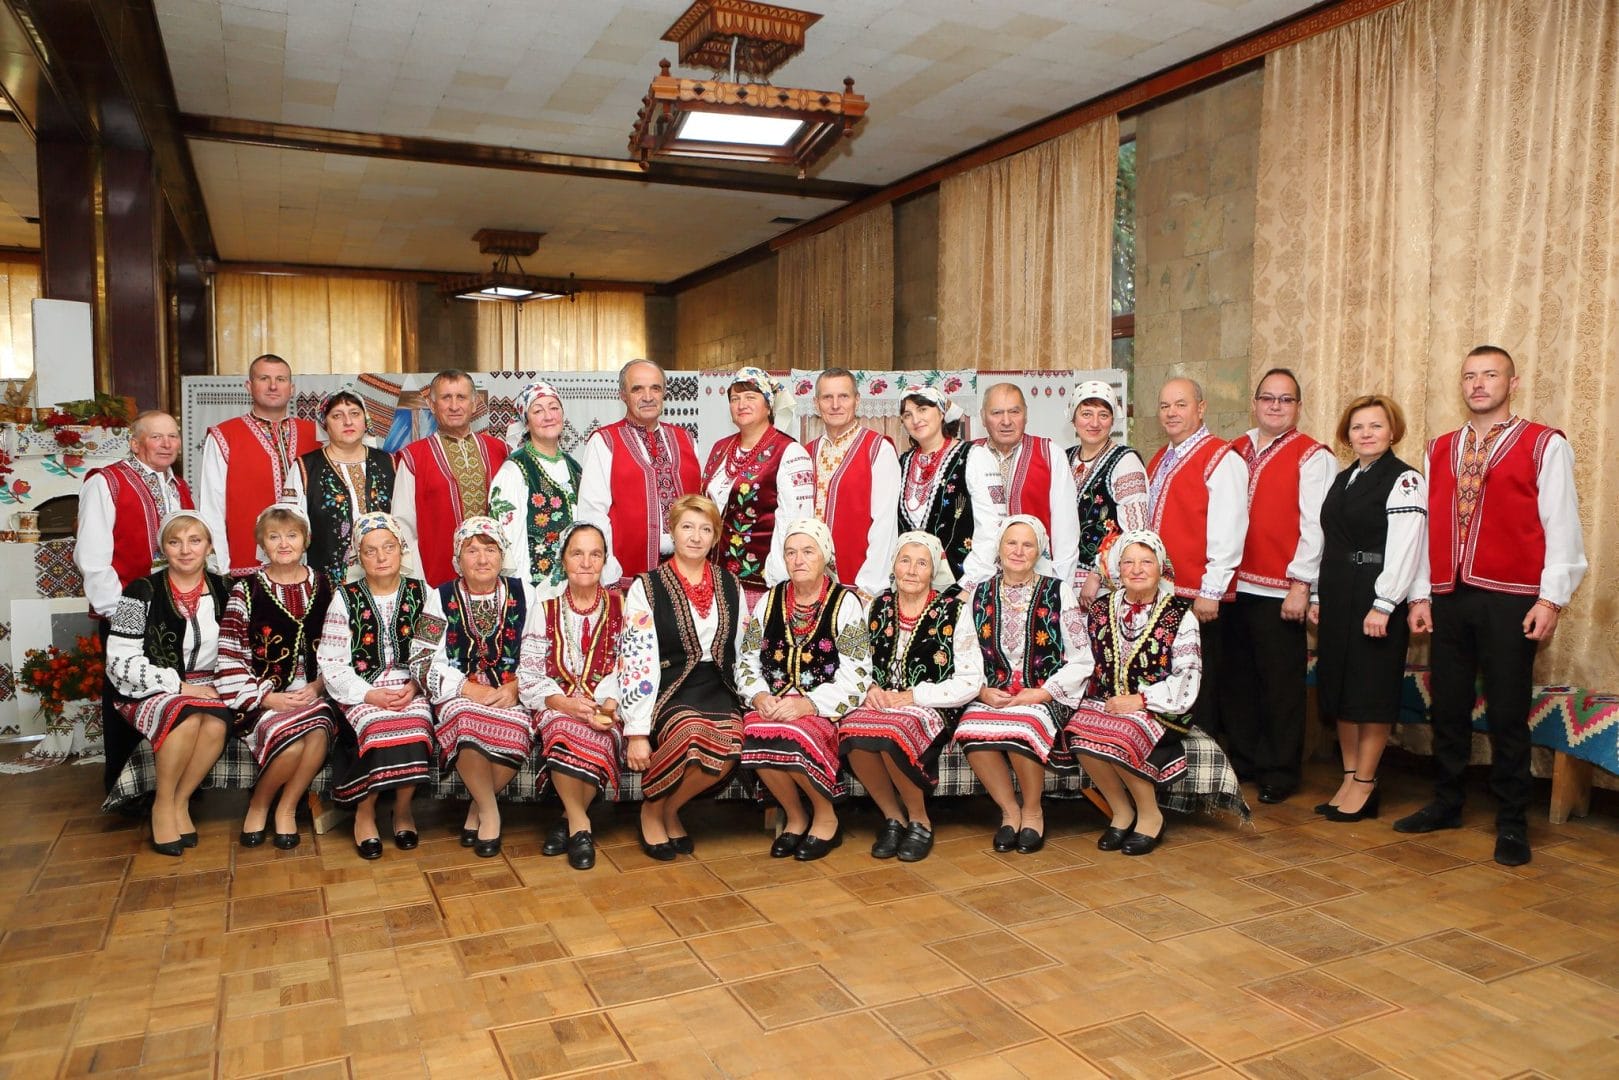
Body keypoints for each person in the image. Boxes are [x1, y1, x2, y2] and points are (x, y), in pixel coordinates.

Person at [1397, 346, 1587, 867]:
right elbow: (1427, 529)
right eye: (1469, 376)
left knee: (1506, 712)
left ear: (1513, 381)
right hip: (1449, 596)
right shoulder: (1438, 448)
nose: (1478, 384)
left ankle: (1511, 821)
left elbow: (1561, 525)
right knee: (1449, 707)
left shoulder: (1543, 444)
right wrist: (1420, 593)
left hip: (1511, 598)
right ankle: (1448, 801)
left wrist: (1551, 598)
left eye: (1490, 375)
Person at [1310, 396, 1426, 824]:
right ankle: (1348, 776)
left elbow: (1406, 548)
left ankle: (1366, 782)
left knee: (1370, 690)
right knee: (1339, 688)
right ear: (1347, 434)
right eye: (1358, 427)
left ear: (1392, 431)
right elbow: (1330, 542)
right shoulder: (1344, 479)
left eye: (1376, 426)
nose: (1366, 434)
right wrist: (1320, 596)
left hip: (1375, 597)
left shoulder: (1405, 480)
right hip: (1339, 593)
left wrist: (1385, 603)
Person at [1222, 369, 1334, 804]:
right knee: (1238, 680)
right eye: (1267, 398)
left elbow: (1316, 527)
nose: (1275, 406)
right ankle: (1246, 760)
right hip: (1234, 587)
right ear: (1254, 402)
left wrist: (1302, 585)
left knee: (1280, 685)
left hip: (1279, 589)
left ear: (1298, 407)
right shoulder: (1234, 449)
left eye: (1285, 400)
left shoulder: (1313, 456)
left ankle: (1280, 770)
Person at [840, 532, 983, 862]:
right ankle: (893, 817)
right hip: (881, 700)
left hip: (931, 704)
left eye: (922, 563)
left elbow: (971, 680)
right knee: (852, 731)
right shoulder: (876, 606)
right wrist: (870, 689)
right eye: (905, 560)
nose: (912, 570)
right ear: (894, 566)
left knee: (893, 734)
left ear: (933, 571)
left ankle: (920, 820)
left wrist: (915, 695)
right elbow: (854, 660)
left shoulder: (954, 611)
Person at [618, 495, 748, 860]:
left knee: (730, 745)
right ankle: (652, 808)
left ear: (715, 537)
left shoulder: (730, 584)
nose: (695, 536)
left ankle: (669, 809)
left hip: (718, 683)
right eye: (687, 527)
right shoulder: (647, 586)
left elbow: (743, 649)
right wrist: (637, 731)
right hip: (668, 685)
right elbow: (636, 658)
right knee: (690, 732)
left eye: (705, 529)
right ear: (672, 532)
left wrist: (756, 696)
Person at [954, 516, 1093, 854]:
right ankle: (1009, 812)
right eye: (1011, 543)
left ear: (1039, 551)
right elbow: (965, 647)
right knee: (971, 729)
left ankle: (1033, 811)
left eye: (1027, 544)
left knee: (1026, 726)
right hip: (994, 691)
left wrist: (1044, 692)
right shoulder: (979, 592)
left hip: (1042, 692)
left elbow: (1081, 657)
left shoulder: (1058, 591)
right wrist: (982, 691)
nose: (1018, 551)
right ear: (999, 549)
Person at [74, 410, 196, 793]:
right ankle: (126, 791)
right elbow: (91, 557)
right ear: (134, 442)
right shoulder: (105, 482)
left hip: (172, 607)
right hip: (126, 608)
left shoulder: (178, 486)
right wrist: (121, 613)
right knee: (126, 697)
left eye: (172, 437)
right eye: (156, 437)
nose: (166, 444)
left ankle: (173, 787)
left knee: (167, 695)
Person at [738, 520, 873, 861]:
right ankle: (795, 817)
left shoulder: (846, 603)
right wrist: (759, 696)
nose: (798, 559)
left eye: (808, 551)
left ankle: (826, 815)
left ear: (825, 556)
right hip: (773, 704)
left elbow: (857, 676)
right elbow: (747, 660)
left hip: (821, 707)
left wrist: (808, 705)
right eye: (791, 552)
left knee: (793, 734)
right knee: (753, 732)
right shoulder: (770, 601)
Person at [1063, 530, 1201, 856]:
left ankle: (1150, 816)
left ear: (1160, 568)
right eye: (1129, 562)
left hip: (1161, 707)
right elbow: (1084, 659)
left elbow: (1188, 676)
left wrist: (1140, 701)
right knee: (1079, 735)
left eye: (1146, 562)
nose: (1137, 569)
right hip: (1107, 700)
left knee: (1123, 733)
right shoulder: (1099, 609)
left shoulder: (1181, 613)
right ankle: (1121, 811)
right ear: (1118, 569)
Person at [104, 510, 233, 855]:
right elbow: (119, 661)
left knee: (216, 724)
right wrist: (179, 687)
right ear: (163, 548)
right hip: (152, 688)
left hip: (211, 685)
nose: (186, 550)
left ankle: (180, 801)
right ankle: (163, 805)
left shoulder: (226, 589)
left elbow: (238, 647)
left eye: (195, 540)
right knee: (187, 716)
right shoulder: (140, 591)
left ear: (208, 546)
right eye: (175, 542)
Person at [411, 517, 538, 859]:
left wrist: (516, 689)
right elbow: (421, 660)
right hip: (461, 695)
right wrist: (467, 690)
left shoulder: (526, 592)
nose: (482, 559)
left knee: (517, 725)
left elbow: (540, 652)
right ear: (458, 558)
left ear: (502, 555)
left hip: (511, 693)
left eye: (490, 549)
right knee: (463, 720)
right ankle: (491, 812)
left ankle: (477, 809)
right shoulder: (440, 597)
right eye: (472, 550)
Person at [214, 505, 338, 850]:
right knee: (293, 742)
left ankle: (286, 807)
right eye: (274, 536)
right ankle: (259, 805)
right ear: (262, 544)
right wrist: (267, 698)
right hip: (262, 696)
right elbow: (229, 653)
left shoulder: (327, 585)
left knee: (317, 732)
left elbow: (340, 647)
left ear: (306, 540)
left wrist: (318, 686)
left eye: (292, 535)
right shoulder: (246, 590)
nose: (284, 543)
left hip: (316, 693)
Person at [317, 513, 434, 860]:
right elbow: (332, 661)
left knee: (416, 725)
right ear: (358, 557)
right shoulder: (345, 598)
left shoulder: (422, 593)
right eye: (371, 551)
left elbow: (431, 650)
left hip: (409, 686)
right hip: (360, 688)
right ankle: (365, 812)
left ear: (401, 550)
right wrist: (368, 695)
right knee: (375, 726)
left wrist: (414, 687)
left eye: (388, 548)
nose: (381, 557)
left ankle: (402, 809)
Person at [518, 522, 625, 871]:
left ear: (605, 561)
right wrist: (563, 703)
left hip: (606, 704)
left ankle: (566, 821)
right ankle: (581, 826)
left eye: (595, 554)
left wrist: (607, 706)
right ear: (563, 559)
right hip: (557, 704)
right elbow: (530, 675)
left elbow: (629, 667)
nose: (585, 562)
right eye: (577, 553)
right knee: (561, 730)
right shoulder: (544, 608)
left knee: (602, 734)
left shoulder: (623, 607)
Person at [1146, 377, 1248, 735]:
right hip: (1165, 592)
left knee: (1201, 687)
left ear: (1201, 408)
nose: (1171, 413)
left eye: (1181, 404)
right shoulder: (1161, 457)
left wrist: (1212, 590)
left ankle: (1204, 769)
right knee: (1171, 681)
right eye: (1164, 406)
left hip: (1198, 594)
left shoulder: (1220, 457)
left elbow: (1230, 528)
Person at [577, 359, 702, 588]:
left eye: (655, 388)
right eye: (637, 389)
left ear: (664, 392)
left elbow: (702, 507)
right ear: (623, 395)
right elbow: (592, 513)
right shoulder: (605, 441)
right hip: (630, 576)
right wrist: (608, 573)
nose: (648, 396)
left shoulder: (685, 439)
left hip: (687, 573)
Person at [701, 368, 815, 610]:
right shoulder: (720, 448)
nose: (741, 404)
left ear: (768, 405)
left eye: (751, 397)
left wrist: (779, 581)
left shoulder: (790, 452)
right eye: (735, 398)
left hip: (760, 586)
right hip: (713, 579)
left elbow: (795, 523)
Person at [199, 354, 320, 575]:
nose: (273, 386)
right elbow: (212, 507)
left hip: (309, 566)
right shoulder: (224, 436)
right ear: (249, 386)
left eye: (281, 379)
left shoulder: (316, 434)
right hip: (246, 564)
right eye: (264, 378)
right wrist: (221, 567)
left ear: (291, 388)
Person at [392, 369, 509, 587]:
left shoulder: (501, 451)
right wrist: (418, 583)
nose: (454, 406)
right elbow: (403, 525)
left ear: (474, 404)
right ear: (433, 405)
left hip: (496, 581)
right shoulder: (413, 457)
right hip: (437, 580)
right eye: (446, 398)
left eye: (461, 397)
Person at [804, 367, 901, 597]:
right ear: (816, 404)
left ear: (857, 401)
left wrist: (868, 587)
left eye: (843, 396)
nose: (835, 405)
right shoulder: (806, 453)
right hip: (810, 586)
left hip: (858, 586)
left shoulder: (877, 449)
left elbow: (885, 524)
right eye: (828, 397)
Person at [896, 386, 1001, 585]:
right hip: (910, 587)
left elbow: (991, 527)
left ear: (942, 412)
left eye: (923, 409)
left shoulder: (974, 456)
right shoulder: (902, 463)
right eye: (907, 415)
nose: (916, 420)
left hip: (962, 585)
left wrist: (969, 586)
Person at [978, 382, 1081, 584]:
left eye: (1014, 412)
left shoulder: (1050, 454)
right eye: (997, 412)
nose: (1006, 421)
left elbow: (1066, 530)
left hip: (1038, 581)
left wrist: (1058, 588)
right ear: (983, 417)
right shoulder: (970, 456)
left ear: (1026, 414)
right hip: (980, 582)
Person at [489, 381, 582, 593]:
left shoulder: (574, 466)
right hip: (535, 591)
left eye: (554, 408)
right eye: (538, 411)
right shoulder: (514, 470)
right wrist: (522, 594)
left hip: (576, 588)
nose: (548, 416)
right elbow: (508, 541)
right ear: (527, 423)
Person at [299, 389, 395, 587]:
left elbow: (405, 521)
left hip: (385, 577)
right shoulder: (306, 467)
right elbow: (294, 527)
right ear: (325, 424)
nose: (348, 422)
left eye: (354, 413)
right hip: (326, 582)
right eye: (337, 415)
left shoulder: (389, 462)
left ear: (365, 420)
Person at [1067, 381, 1149, 603]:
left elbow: (1136, 532)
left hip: (1104, 586)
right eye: (1086, 414)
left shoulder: (1125, 462)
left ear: (1113, 420)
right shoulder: (1065, 458)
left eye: (1103, 415)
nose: (1094, 423)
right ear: (1073, 418)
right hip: (1065, 578)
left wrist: (1098, 574)